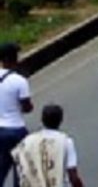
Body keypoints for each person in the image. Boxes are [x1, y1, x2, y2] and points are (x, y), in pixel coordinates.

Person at [11, 104, 83, 187]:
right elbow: (72, 174)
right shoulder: (66, 142)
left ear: (42, 120)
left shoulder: (28, 141)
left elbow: (21, 166)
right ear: (61, 120)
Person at [0, 42, 32, 187]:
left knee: (2, 167)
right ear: (15, 58)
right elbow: (27, 107)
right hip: (17, 129)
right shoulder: (20, 81)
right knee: (21, 169)